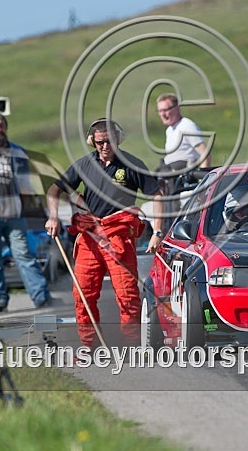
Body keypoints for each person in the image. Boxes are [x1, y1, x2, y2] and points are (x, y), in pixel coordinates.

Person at [46, 118, 164, 348]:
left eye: (109, 141)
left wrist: (157, 231)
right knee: (83, 294)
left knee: (128, 295)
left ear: (117, 139)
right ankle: (89, 346)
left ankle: (130, 346)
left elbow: (157, 195)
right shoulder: (84, 164)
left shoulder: (132, 164)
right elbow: (54, 189)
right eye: (99, 142)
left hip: (119, 235)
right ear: (93, 142)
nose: (104, 146)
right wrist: (52, 216)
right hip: (90, 235)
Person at [0, 112, 50, 309]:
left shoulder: (18, 152)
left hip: (15, 213)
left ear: (6, 127)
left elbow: (26, 183)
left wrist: (33, 208)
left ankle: (41, 296)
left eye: (1, 125)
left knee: (24, 255)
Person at [156, 93, 211, 170]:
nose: (162, 114)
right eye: (160, 111)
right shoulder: (169, 130)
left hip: (185, 176)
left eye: (165, 110)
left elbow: (205, 155)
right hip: (170, 173)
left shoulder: (187, 127)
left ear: (177, 108)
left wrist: (202, 179)